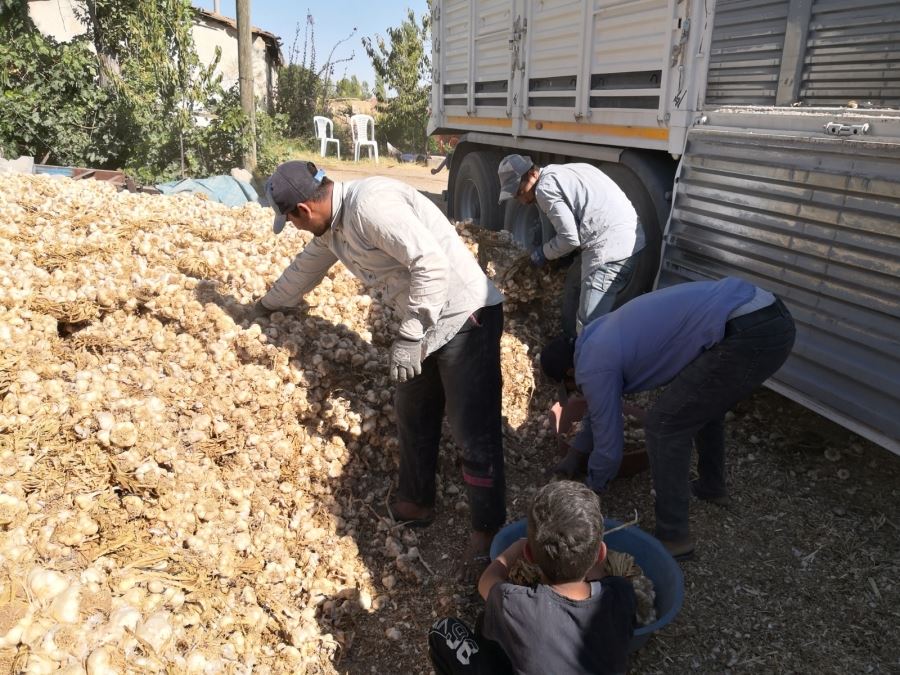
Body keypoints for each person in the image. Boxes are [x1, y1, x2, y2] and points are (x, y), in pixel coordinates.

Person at [253, 159, 506, 580]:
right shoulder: (331, 229)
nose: (295, 229)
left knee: (472, 431)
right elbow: (305, 270)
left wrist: (409, 335)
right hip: (424, 322)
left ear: (302, 210)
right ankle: (416, 500)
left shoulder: (371, 207)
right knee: (412, 409)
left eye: (291, 221)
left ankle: (487, 533)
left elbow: (430, 264)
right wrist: (265, 306)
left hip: (466, 314)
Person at [539, 277, 796, 559]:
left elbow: (609, 447)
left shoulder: (592, 365)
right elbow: (598, 411)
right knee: (701, 406)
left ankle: (675, 537)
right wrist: (576, 454)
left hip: (749, 331)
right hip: (764, 313)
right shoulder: (594, 337)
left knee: (665, 426)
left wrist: (591, 488)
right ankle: (712, 487)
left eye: (572, 389)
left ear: (570, 374)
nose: (578, 392)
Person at [428, 480, 635, 675]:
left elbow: (487, 581)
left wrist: (514, 549)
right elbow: (602, 579)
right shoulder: (622, 594)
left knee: (444, 631)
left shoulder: (515, 605)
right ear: (601, 554)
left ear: (529, 554)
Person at [497, 154, 645, 336]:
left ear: (532, 174)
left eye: (520, 192)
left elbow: (570, 239)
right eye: (516, 197)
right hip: (629, 235)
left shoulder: (544, 190)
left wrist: (543, 253)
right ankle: (568, 339)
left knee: (589, 327)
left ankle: (584, 357)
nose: (522, 200)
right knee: (574, 280)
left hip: (610, 249)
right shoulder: (561, 172)